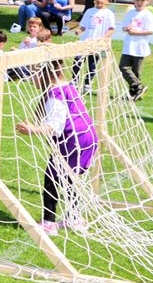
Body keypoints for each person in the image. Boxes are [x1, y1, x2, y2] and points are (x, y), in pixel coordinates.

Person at [16, 58, 98, 234]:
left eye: (34, 74)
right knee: (70, 178)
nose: (31, 78)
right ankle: (74, 219)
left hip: (72, 139)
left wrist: (32, 129)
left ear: (45, 74)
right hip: (88, 137)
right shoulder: (66, 85)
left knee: (51, 177)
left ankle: (48, 223)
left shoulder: (56, 95)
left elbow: (54, 127)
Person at [72, 0, 116, 93]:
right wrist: (79, 30)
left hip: (97, 44)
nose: (99, 0)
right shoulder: (89, 11)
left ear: (107, 0)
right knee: (77, 61)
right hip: (85, 41)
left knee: (92, 64)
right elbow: (83, 26)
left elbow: (111, 29)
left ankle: (87, 84)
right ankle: (74, 82)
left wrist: (103, 39)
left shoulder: (108, 13)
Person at [119, 0, 153, 101]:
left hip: (140, 46)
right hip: (129, 46)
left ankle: (134, 93)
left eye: (142, 0)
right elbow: (124, 27)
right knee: (122, 67)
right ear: (134, 0)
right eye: (137, 0)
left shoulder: (148, 14)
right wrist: (127, 28)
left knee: (136, 71)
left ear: (147, 1)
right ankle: (139, 87)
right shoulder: (130, 13)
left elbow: (150, 30)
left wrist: (136, 32)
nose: (139, 2)